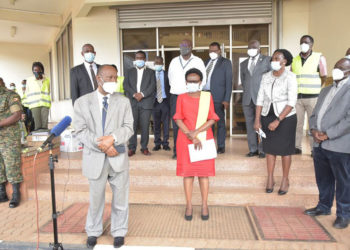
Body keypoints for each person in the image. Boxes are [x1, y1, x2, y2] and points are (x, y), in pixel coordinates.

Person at [74, 65, 134, 248]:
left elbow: (128, 127)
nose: (113, 81)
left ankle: (119, 231)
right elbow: (80, 131)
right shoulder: (82, 102)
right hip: (95, 158)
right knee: (96, 199)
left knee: (121, 199)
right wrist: (105, 146)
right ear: (98, 78)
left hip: (118, 159)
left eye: (115, 78)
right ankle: (93, 231)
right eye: (109, 77)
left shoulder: (123, 101)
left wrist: (113, 139)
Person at [304, 58, 350, 229]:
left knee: (343, 181)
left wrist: (328, 134)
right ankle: (324, 206)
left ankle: (344, 214)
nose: (336, 70)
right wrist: (314, 130)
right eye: (335, 67)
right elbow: (315, 114)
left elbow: (348, 120)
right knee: (323, 179)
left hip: (339, 144)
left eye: (341, 68)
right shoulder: (326, 90)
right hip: (319, 143)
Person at [174, 68, 219, 221]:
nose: (192, 84)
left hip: (204, 137)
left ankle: (204, 204)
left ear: (200, 82)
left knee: (203, 174)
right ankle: (189, 205)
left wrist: (196, 132)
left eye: (195, 81)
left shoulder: (207, 97)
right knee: (187, 174)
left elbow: (212, 118)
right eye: (189, 81)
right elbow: (178, 119)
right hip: (185, 139)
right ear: (186, 82)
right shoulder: (181, 97)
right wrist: (190, 135)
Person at [254, 49, 297, 195]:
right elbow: (260, 99)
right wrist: (257, 119)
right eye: (273, 58)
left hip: (286, 117)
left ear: (284, 61)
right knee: (269, 149)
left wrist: (278, 120)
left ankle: (285, 179)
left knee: (285, 150)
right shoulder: (266, 76)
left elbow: (291, 102)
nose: (273, 60)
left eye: (277, 58)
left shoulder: (290, 77)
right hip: (267, 115)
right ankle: (270, 178)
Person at [168, 39, 206, 159]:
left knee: (192, 123)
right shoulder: (174, 61)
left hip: (192, 96)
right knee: (177, 124)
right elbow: (170, 78)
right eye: (181, 45)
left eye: (186, 46)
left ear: (191, 47)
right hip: (176, 96)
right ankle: (177, 151)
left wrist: (195, 92)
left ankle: (194, 148)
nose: (183, 48)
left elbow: (203, 79)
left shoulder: (198, 61)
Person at [291, 35, 327, 155]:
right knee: (297, 124)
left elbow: (324, 76)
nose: (303, 44)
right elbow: (291, 77)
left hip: (313, 97)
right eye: (301, 42)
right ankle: (297, 147)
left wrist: (317, 89)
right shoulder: (295, 59)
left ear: (312, 45)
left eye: (306, 42)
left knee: (313, 124)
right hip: (298, 97)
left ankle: (314, 148)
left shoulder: (319, 58)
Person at [240, 40, 271, 158]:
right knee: (249, 124)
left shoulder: (267, 60)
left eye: (254, 47)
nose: (251, 49)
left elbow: (271, 77)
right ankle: (253, 149)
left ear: (259, 49)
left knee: (262, 124)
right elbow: (244, 81)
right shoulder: (243, 64)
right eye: (249, 47)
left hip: (262, 99)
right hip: (247, 99)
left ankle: (263, 150)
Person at [123, 50, 156, 156]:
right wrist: (134, 94)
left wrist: (142, 94)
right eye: (137, 58)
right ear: (135, 59)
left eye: (141, 58)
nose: (139, 60)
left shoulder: (151, 72)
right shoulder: (129, 71)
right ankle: (132, 148)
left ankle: (144, 147)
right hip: (133, 102)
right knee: (132, 126)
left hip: (146, 103)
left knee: (145, 126)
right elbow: (126, 85)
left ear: (145, 59)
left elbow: (152, 86)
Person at [203, 42, 232, 154]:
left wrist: (226, 99)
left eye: (215, 51)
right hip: (205, 95)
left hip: (218, 97)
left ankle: (221, 146)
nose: (212, 53)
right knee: (206, 123)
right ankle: (208, 144)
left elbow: (229, 82)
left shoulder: (226, 63)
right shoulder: (206, 62)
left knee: (219, 123)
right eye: (210, 51)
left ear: (220, 51)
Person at [0, 83, 23, 208]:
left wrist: (0, 123)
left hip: (9, 138)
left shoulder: (10, 95)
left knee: (11, 164)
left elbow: (17, 115)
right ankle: (2, 193)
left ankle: (15, 194)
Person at [152, 56, 171, 151]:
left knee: (166, 124)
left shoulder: (167, 74)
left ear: (163, 64)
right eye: (156, 63)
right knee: (156, 124)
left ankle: (166, 143)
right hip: (154, 101)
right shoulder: (150, 75)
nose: (158, 65)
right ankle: (157, 143)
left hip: (165, 101)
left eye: (160, 63)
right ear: (154, 64)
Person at [26, 62, 51, 131]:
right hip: (35, 105)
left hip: (45, 104)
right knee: (38, 125)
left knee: (44, 125)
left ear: (42, 70)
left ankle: (44, 139)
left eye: (38, 70)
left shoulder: (47, 80)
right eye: (35, 70)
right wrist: (29, 104)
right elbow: (27, 92)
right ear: (33, 71)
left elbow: (48, 91)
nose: (36, 71)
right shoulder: (29, 80)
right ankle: (38, 139)